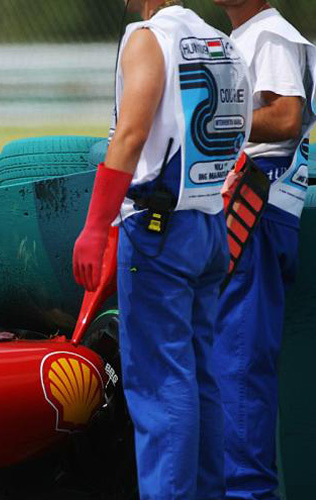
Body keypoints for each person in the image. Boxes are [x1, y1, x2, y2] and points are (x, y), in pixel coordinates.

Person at [72, 1, 252, 498]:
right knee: (201, 381)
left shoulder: (149, 38)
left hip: (159, 231)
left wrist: (95, 226)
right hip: (208, 225)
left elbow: (131, 134)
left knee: (160, 386)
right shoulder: (221, 41)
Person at [211, 2, 316, 498]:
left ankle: (247, 492)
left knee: (239, 363)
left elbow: (287, 115)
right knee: (230, 360)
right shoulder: (249, 34)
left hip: (256, 208)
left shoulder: (270, 34)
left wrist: (208, 125)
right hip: (251, 206)